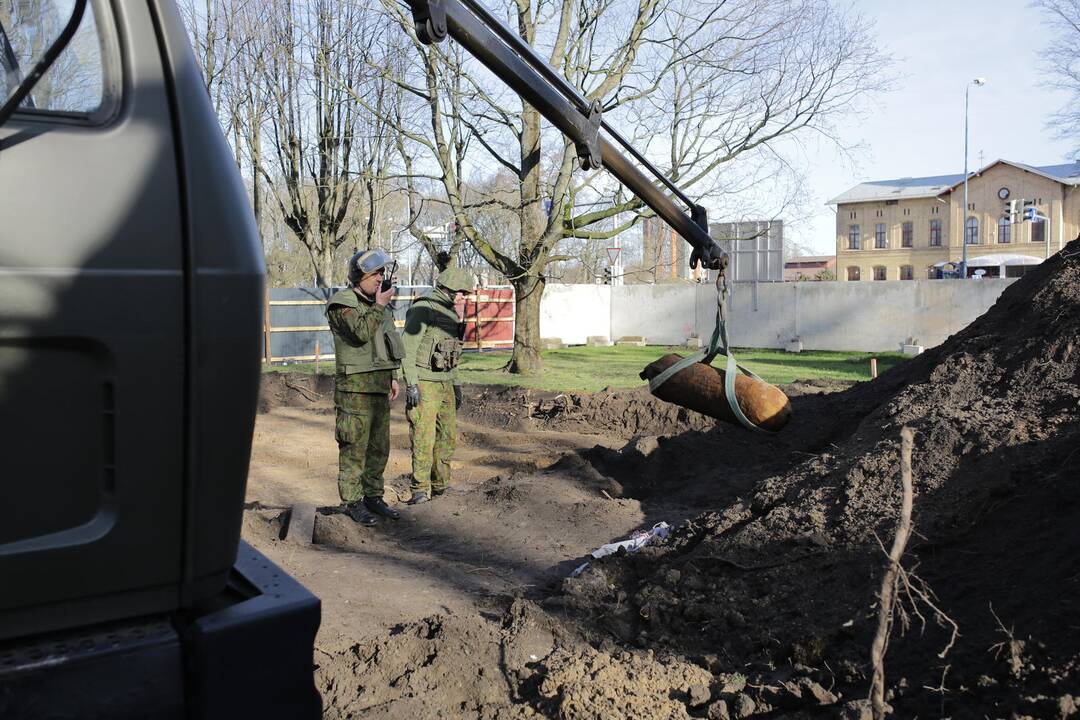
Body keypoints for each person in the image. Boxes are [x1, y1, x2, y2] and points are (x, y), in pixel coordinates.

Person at [325, 248, 404, 524]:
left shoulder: (378, 306)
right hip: (354, 389)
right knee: (354, 448)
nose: (380, 278)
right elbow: (360, 333)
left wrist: (393, 375)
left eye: (382, 273)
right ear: (360, 276)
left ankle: (373, 496)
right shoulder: (341, 303)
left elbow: (388, 340)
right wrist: (380, 305)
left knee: (379, 447)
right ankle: (351, 502)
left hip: (379, 386)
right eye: (375, 274)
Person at [401, 267, 475, 504]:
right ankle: (420, 490)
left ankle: (441, 488)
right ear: (449, 288)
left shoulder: (451, 314)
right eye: (461, 292)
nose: (464, 297)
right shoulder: (424, 308)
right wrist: (411, 384)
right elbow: (407, 349)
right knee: (424, 438)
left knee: (447, 438)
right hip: (425, 383)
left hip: (444, 384)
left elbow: (452, 351)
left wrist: (456, 384)